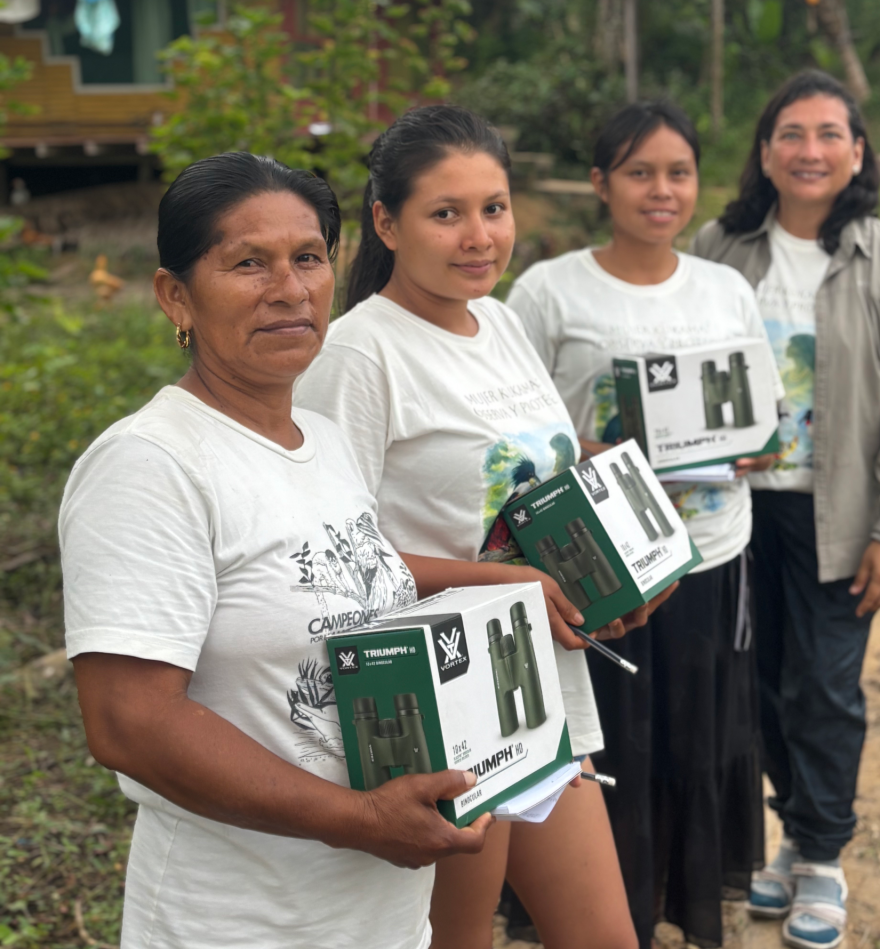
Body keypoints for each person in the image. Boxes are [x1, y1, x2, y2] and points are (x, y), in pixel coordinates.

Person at [58, 151, 576, 949]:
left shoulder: (322, 440)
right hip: (239, 921)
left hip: (379, 916)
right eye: (247, 263)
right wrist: (356, 818)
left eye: (307, 258)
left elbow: (355, 577)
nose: (290, 289)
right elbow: (129, 720)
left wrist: (507, 582)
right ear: (175, 296)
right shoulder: (152, 463)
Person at [294, 105, 666, 949]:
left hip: (534, 683)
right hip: (440, 702)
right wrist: (510, 583)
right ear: (386, 223)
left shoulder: (498, 320)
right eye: (445, 212)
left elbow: (543, 483)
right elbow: (325, 558)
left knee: (606, 937)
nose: (477, 237)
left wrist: (611, 573)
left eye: (493, 208)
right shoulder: (358, 355)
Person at [507, 101, 785, 949]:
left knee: (696, 739)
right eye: (639, 172)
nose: (661, 191)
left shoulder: (726, 288)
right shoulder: (547, 291)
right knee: (611, 744)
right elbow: (517, 434)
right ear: (600, 184)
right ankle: (595, 915)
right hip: (597, 572)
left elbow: (768, 425)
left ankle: (683, 904)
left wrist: (748, 447)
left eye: (679, 172)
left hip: (709, 556)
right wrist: (617, 451)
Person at [691, 70, 880, 949]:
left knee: (825, 688)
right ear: (765, 153)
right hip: (729, 514)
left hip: (836, 513)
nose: (810, 150)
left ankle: (824, 856)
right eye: (791, 133)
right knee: (756, 686)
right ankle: (790, 836)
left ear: (857, 153)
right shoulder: (718, 250)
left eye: (829, 134)